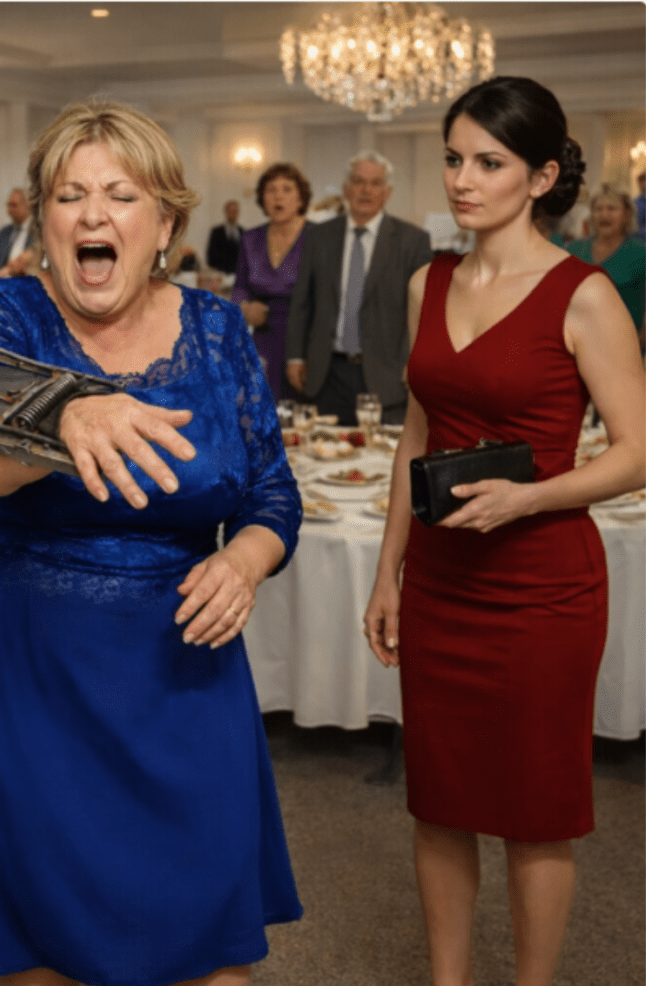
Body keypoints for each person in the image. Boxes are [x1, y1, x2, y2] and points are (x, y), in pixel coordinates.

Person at [0, 98, 303, 986]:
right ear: (43, 220)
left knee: (211, 948)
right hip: (24, 672)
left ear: (165, 224)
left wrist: (244, 559)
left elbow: (273, 489)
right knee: (39, 947)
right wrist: (63, 414)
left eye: (121, 196)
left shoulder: (217, 329)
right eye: (69, 195)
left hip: (183, 673)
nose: (93, 215)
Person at [363, 76, 645, 986]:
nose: (462, 179)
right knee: (439, 801)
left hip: (542, 588)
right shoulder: (428, 282)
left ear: (542, 176)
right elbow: (416, 436)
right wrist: (388, 573)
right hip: (441, 581)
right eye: (454, 159)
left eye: (489, 163)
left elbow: (638, 454)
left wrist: (529, 498)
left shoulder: (582, 293)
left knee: (535, 811)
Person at [285, 151, 432, 425]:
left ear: (387, 192)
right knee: (323, 449)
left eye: (375, 183)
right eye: (358, 182)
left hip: (386, 375)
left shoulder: (413, 241)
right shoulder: (318, 236)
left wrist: (414, 362)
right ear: (346, 189)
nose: (366, 190)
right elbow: (302, 301)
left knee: (380, 451)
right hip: (326, 374)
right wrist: (295, 356)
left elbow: (424, 311)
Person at [231, 162, 311, 400]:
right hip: (263, 337)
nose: (278, 196)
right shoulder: (250, 238)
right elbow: (240, 286)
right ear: (262, 199)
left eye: (287, 189)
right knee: (263, 407)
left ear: (300, 198)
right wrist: (245, 308)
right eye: (271, 190)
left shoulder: (318, 237)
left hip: (306, 339)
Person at [566, 184, 645, 343]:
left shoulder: (640, 253)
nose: (604, 214)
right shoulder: (574, 250)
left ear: (626, 214)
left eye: (611, 208)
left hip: (623, 343)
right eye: (598, 209)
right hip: (575, 342)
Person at [0, 186, 36, 276]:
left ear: (27, 205)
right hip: (2, 281)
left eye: (13, 205)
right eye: (8, 205)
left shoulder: (39, 232)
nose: (9, 210)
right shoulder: (4, 232)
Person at [206, 198, 243, 274]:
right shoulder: (216, 232)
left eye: (235, 211)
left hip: (239, 273)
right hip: (221, 273)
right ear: (226, 212)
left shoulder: (243, 232)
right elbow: (211, 255)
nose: (233, 214)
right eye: (230, 211)